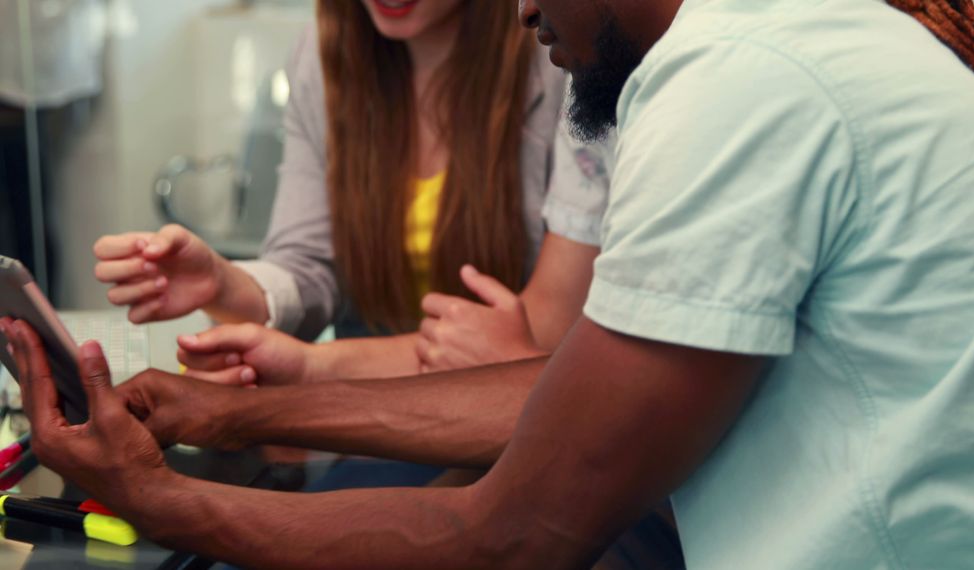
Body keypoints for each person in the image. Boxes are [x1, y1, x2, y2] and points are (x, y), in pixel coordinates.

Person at [4, 0, 974, 568]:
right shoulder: (764, 42)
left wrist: (161, 497)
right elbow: (564, 395)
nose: (519, 11)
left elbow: (514, 535)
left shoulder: (743, 84)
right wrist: (237, 412)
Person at [91, 0, 605, 380]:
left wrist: (313, 367)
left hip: (504, 422)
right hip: (370, 417)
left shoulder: (560, 55)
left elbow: (547, 333)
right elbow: (307, 267)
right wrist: (224, 284)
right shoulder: (323, 55)